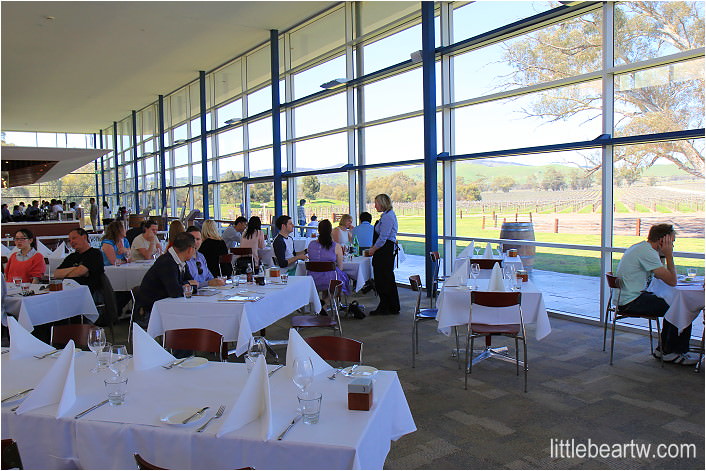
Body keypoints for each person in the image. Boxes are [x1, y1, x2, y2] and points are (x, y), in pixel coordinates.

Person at [615, 223, 698, 365]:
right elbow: (672, 281)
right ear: (662, 241)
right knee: (681, 307)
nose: (672, 246)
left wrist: (663, 255)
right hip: (631, 302)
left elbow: (661, 275)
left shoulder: (642, 248)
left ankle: (665, 349)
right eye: (671, 243)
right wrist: (668, 255)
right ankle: (672, 352)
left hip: (627, 297)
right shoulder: (647, 252)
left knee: (675, 304)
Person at [136, 232, 197, 316]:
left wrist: (186, 285)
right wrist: (187, 285)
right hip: (151, 310)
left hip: (167, 305)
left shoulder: (181, 262)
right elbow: (174, 292)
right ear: (190, 249)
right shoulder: (167, 262)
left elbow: (193, 284)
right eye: (195, 248)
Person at [368, 194, 400, 315]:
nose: (374, 205)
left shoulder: (387, 217)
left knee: (383, 278)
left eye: (376, 203)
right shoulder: (386, 215)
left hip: (384, 250)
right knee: (386, 278)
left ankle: (386, 306)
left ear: (382, 203)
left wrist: (373, 249)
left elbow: (383, 237)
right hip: (384, 249)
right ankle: (390, 305)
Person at [54, 228, 105, 299]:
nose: (71, 242)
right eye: (69, 240)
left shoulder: (95, 254)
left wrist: (66, 274)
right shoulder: (71, 257)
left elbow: (80, 272)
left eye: (74, 238)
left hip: (88, 294)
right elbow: (56, 274)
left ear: (84, 237)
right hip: (68, 292)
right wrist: (76, 268)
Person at [307, 219, 351, 298]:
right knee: (342, 276)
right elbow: (341, 267)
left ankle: (324, 303)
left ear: (318, 230)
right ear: (331, 231)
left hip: (313, 279)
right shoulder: (336, 246)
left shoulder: (311, 244)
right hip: (331, 280)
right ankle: (326, 302)